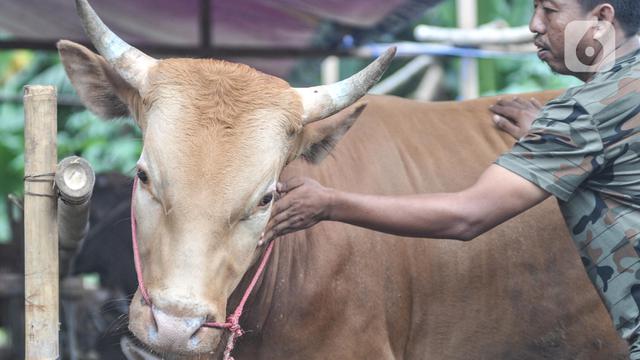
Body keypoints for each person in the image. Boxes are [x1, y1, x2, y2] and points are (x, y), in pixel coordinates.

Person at [262, 0, 640, 356]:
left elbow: (467, 215)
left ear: (602, 19)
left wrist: (329, 203)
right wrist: (550, 142)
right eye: (534, 7)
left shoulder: (582, 114)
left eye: (551, 10)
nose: (534, 24)